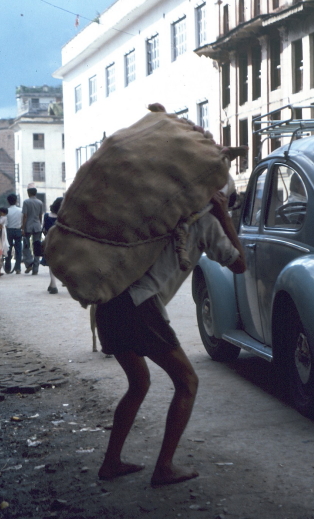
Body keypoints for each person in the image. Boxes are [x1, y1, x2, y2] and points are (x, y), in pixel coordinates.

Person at [95, 191, 246, 488]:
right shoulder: (205, 223)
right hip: (140, 306)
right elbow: (239, 264)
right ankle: (164, 467)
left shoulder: (160, 210)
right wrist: (225, 216)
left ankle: (111, 462)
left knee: (139, 383)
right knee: (188, 382)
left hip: (109, 302)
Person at [21, 187, 45, 275]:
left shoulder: (26, 202)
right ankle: (35, 268)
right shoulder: (40, 202)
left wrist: (23, 228)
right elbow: (40, 215)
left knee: (26, 246)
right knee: (37, 247)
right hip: (37, 225)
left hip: (28, 225)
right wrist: (40, 224)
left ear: (28, 193)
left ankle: (29, 263)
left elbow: (25, 216)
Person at [43, 197, 62, 294]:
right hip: (62, 241)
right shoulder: (63, 217)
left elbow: (44, 229)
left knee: (51, 263)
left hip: (50, 241)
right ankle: (52, 284)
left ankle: (53, 284)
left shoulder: (46, 216)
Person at [4, 194, 23, 274]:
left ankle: (7, 267)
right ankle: (18, 268)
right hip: (18, 230)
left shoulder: (6, 211)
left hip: (9, 231)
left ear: (8, 201)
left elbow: (5, 223)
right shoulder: (21, 210)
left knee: (8, 249)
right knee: (18, 250)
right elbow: (23, 220)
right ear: (16, 201)